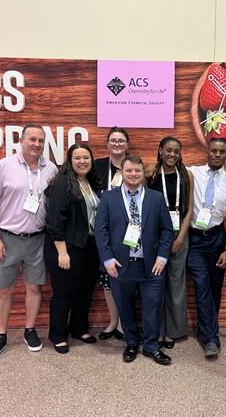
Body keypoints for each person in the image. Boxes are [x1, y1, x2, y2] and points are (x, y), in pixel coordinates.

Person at [0, 124, 58, 361]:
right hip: (8, 238)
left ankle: (29, 330)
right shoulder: (4, 166)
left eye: (40, 141)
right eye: (32, 139)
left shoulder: (51, 169)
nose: (36, 144)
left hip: (38, 239)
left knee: (34, 287)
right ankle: (0, 335)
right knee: (3, 288)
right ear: (21, 140)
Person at [95, 155, 174, 365]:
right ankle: (131, 343)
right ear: (122, 172)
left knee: (152, 308)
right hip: (120, 266)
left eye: (137, 171)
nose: (133, 175)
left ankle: (151, 346)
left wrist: (163, 256)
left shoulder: (156, 198)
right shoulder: (108, 198)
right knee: (125, 307)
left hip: (151, 267)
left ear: (142, 173)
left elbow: (167, 230)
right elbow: (100, 232)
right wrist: (108, 259)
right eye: (129, 171)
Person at [44, 143, 100, 354]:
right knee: (64, 293)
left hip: (89, 246)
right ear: (70, 160)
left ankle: (78, 328)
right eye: (77, 158)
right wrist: (62, 252)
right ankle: (57, 334)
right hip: (66, 247)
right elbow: (54, 221)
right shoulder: (63, 184)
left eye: (86, 157)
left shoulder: (91, 182)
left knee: (85, 291)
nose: (82, 161)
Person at [187, 138, 226, 359]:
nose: (217, 155)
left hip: (217, 238)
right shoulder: (193, 173)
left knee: (214, 288)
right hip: (195, 240)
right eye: (214, 150)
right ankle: (211, 338)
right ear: (207, 151)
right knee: (201, 285)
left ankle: (205, 329)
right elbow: (166, 166)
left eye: (222, 152)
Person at [145, 137, 194, 349]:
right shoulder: (151, 173)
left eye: (176, 151)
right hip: (155, 236)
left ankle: (172, 331)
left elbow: (189, 210)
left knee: (175, 284)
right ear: (160, 151)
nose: (172, 154)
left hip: (178, 236)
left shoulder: (186, 176)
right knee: (155, 284)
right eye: (168, 150)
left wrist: (180, 237)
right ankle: (157, 330)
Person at [93, 126, 129, 340]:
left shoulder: (134, 166)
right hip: (102, 231)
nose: (117, 144)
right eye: (113, 140)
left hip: (127, 234)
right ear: (107, 144)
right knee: (107, 278)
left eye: (121, 140)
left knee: (125, 279)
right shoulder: (96, 167)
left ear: (127, 145)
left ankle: (124, 324)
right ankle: (113, 321)